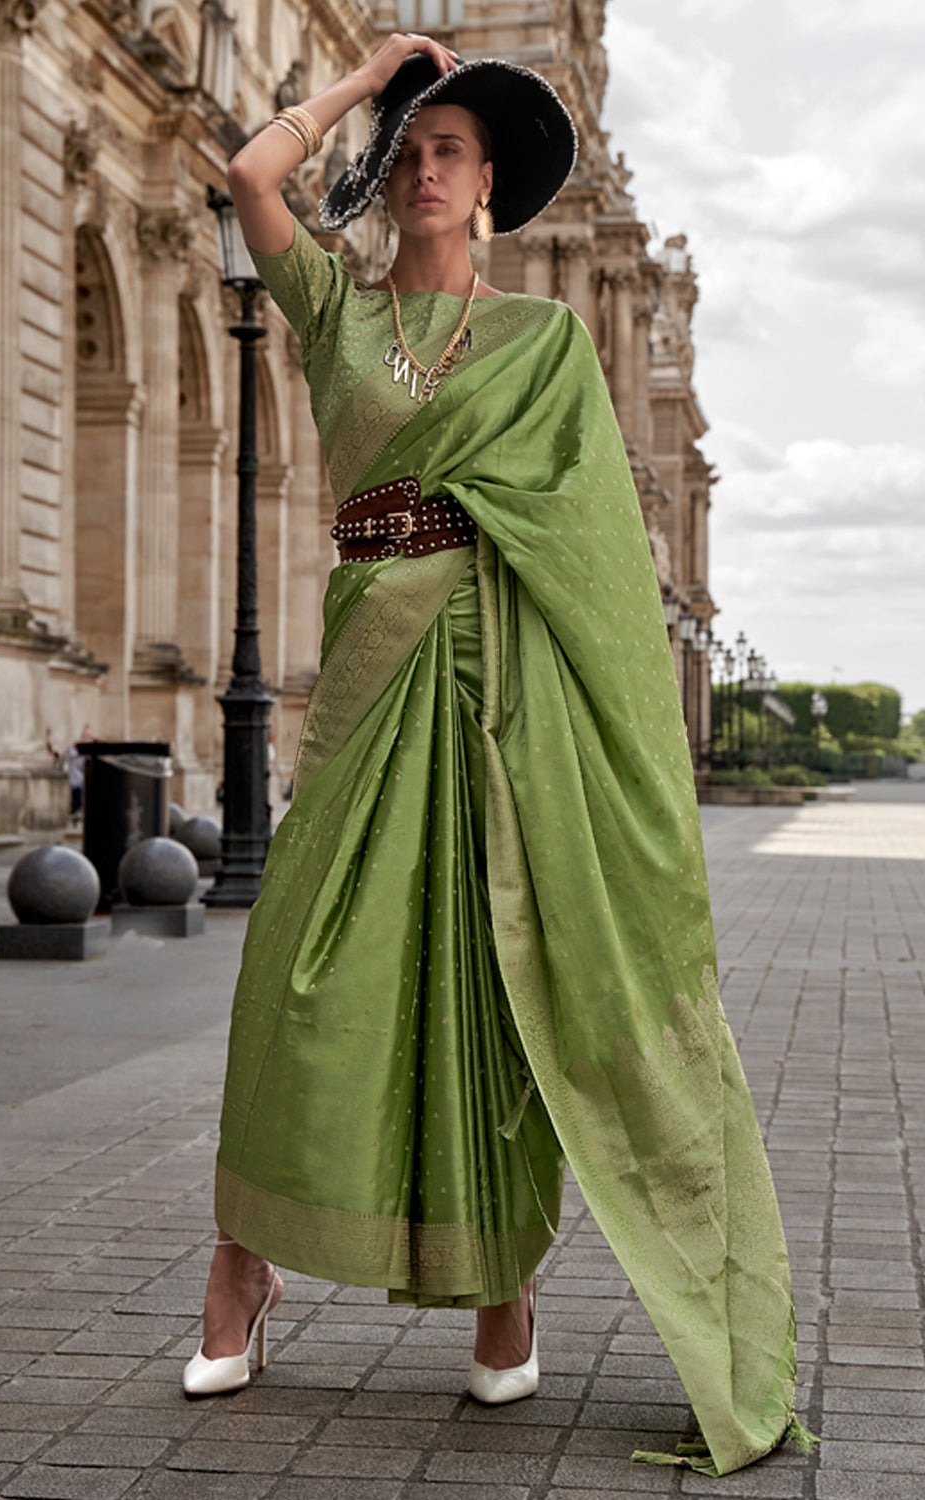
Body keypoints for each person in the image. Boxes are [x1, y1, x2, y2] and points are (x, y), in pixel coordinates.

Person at [183, 33, 814, 1476]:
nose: (420, 169)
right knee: (301, 969)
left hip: (507, 691)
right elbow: (247, 172)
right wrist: (367, 84)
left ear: (489, 193)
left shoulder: (545, 349)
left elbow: (593, 559)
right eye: (408, 153)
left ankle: (503, 1299)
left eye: (446, 152)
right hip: (370, 675)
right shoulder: (332, 311)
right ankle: (245, 1269)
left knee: (490, 984)